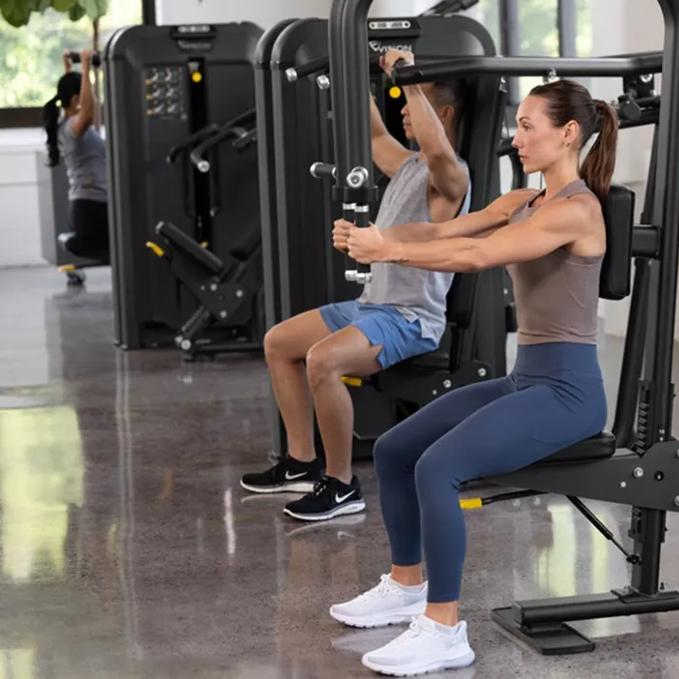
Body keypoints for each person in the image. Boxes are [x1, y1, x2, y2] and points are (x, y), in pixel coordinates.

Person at [328, 79, 617, 677]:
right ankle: (407, 583)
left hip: (568, 393)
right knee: (395, 449)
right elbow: (443, 233)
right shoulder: (524, 201)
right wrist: (378, 238)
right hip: (526, 379)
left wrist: (388, 253)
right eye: (517, 123)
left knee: (439, 467)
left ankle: (443, 628)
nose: (516, 136)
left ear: (568, 134)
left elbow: (476, 258)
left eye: (529, 125)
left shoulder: (577, 210)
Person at [239, 49, 471, 524]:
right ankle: (302, 462)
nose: (403, 108)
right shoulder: (408, 166)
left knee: (323, 359)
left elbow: (440, 152)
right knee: (279, 343)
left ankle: (342, 484)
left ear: (442, 113)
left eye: (415, 100)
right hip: (372, 306)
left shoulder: (451, 178)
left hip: (409, 319)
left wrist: (405, 77)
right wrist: (353, 73)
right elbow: (372, 133)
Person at [45, 48, 109, 267]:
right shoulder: (73, 129)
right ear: (75, 100)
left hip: (89, 208)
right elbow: (88, 111)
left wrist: (70, 68)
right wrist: (84, 66)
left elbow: (79, 101)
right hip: (93, 211)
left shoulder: (66, 124)